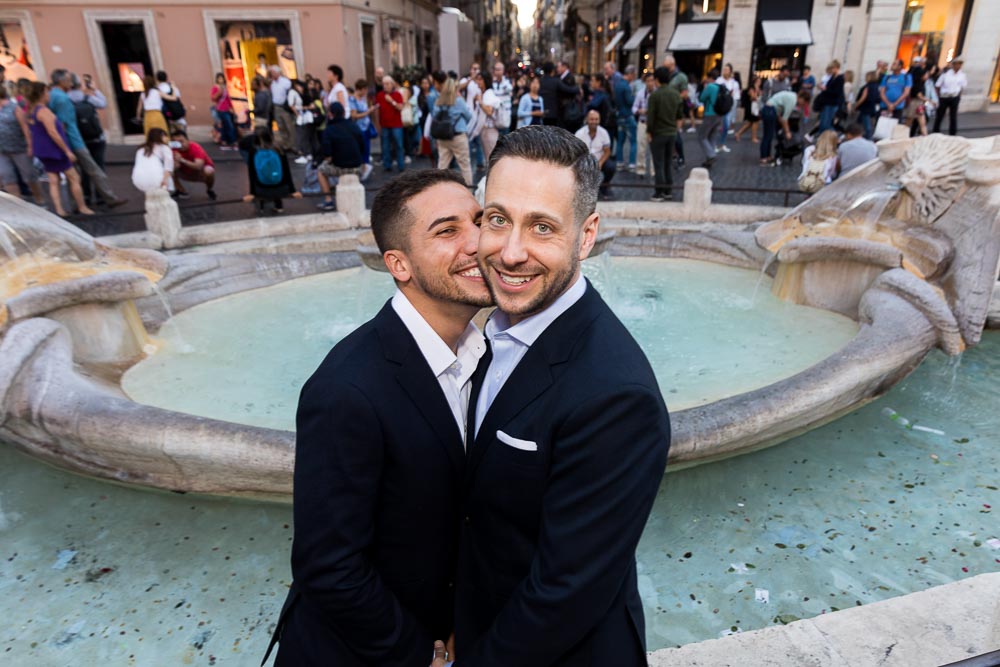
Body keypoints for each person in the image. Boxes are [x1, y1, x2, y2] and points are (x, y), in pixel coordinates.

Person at [445, 124, 670, 665]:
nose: (510, 252)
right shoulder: (487, 329)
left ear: (586, 236)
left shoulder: (618, 397)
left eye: (542, 227)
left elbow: (563, 596)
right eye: (497, 220)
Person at [262, 168, 491, 666]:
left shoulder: (484, 354)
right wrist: (422, 655)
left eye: (479, 220)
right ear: (399, 264)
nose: (478, 242)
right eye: (447, 230)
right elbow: (329, 566)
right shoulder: (346, 390)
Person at [48, 69, 126, 208]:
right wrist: (66, 148)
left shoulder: (53, 95)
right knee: (92, 170)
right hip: (74, 140)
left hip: (70, 140)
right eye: (68, 79)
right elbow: (64, 123)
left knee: (75, 174)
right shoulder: (62, 98)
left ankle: (82, 201)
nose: (70, 83)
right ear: (61, 81)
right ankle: (105, 199)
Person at [25, 82, 94, 217]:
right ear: (41, 94)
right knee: (74, 177)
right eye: (46, 91)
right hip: (54, 150)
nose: (49, 94)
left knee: (53, 180)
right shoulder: (43, 111)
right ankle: (82, 207)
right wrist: (67, 151)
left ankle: (59, 210)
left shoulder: (31, 111)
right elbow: (53, 133)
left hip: (43, 150)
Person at [312, 102, 364, 211]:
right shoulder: (353, 126)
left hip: (340, 166)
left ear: (330, 114)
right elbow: (362, 146)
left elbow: (327, 154)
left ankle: (328, 200)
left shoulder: (329, 130)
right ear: (344, 113)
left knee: (321, 171)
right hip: (358, 166)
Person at [68, 73, 108, 206]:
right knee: (98, 166)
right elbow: (103, 103)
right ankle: (101, 196)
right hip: (96, 138)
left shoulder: (66, 99)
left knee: (84, 169)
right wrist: (94, 89)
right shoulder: (87, 98)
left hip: (79, 139)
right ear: (80, 85)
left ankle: (86, 196)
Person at [0, 85, 44, 205]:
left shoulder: (13, 107)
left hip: (19, 148)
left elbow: (25, 127)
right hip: (2, 151)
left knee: (29, 176)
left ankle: (40, 200)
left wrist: (30, 145)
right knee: (7, 177)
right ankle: (19, 205)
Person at [242, 126, 301, 214]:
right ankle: (279, 206)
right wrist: (293, 190)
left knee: (261, 178)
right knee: (275, 176)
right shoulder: (279, 149)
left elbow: (252, 174)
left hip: (261, 189)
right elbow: (286, 171)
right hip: (281, 189)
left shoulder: (253, 151)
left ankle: (261, 207)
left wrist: (252, 193)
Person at [647, 66, 683, 202]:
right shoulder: (675, 94)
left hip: (658, 133)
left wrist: (649, 132)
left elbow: (651, 117)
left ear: (657, 79)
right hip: (671, 133)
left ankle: (659, 191)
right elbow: (680, 114)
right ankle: (668, 190)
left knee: (659, 163)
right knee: (668, 162)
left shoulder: (655, 96)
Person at [431, 76, 474, 185]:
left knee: (442, 164)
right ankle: (468, 188)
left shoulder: (438, 101)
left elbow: (434, 116)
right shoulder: (458, 101)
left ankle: (438, 187)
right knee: (464, 165)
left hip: (443, 137)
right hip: (458, 136)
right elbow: (469, 116)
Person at [761, 90, 810, 165]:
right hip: (770, 110)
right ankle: (764, 157)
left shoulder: (792, 95)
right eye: (803, 103)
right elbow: (785, 119)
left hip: (769, 109)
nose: (801, 105)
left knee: (769, 135)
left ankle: (767, 156)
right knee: (768, 135)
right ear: (802, 98)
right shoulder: (792, 101)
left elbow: (781, 117)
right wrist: (787, 132)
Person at [575, 109, 615, 200]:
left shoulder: (603, 132)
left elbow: (607, 151)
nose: (594, 121)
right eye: (592, 119)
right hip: (584, 160)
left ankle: (604, 187)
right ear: (587, 120)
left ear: (599, 120)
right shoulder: (579, 133)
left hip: (599, 159)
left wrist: (600, 162)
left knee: (611, 167)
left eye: (596, 119)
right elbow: (576, 152)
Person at [169, 127, 216, 200]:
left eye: (181, 141)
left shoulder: (195, 147)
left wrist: (181, 160)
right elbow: (172, 167)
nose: (180, 145)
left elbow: (198, 166)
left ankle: (209, 189)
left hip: (200, 173)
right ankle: (181, 190)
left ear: (188, 140)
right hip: (185, 172)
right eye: (176, 142)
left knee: (209, 171)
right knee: (169, 169)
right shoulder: (173, 149)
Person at [131, 127, 174, 195]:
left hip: (138, 179)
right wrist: (165, 180)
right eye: (165, 135)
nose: (167, 138)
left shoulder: (141, 148)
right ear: (160, 137)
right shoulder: (164, 148)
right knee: (163, 200)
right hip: (157, 179)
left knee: (151, 198)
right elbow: (168, 167)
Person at [376, 76, 406, 173]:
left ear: (392, 84)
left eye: (388, 84)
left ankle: (401, 165)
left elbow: (400, 108)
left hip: (396, 125)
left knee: (399, 145)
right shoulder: (379, 95)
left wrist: (392, 101)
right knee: (385, 146)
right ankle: (387, 165)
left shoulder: (398, 95)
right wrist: (377, 124)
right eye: (384, 84)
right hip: (384, 125)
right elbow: (377, 110)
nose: (385, 86)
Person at [349, 79, 376, 181]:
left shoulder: (362, 99)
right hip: (358, 129)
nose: (366, 93)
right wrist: (368, 112)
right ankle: (360, 170)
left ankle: (365, 169)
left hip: (366, 127)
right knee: (360, 150)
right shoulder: (352, 100)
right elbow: (354, 115)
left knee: (366, 150)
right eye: (365, 90)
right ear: (361, 89)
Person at [538, 62, 578, 128]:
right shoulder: (556, 81)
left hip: (541, 111)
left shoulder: (540, 81)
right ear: (552, 71)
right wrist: (577, 88)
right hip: (554, 113)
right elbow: (568, 90)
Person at [612, 63, 636, 170]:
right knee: (633, 141)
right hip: (627, 115)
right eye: (634, 75)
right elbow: (629, 101)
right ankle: (631, 163)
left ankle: (619, 162)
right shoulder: (626, 86)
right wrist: (634, 97)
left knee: (620, 141)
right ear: (630, 74)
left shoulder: (617, 85)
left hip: (619, 116)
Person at [934, 56, 966, 136]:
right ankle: (935, 131)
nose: (958, 66)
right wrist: (938, 96)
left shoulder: (962, 75)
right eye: (957, 64)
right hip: (944, 96)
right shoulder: (946, 74)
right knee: (940, 115)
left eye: (960, 64)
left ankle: (952, 133)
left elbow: (962, 86)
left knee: (953, 116)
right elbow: (937, 85)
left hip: (954, 97)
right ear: (953, 65)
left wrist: (958, 96)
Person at [697, 69, 723, 168]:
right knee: (712, 136)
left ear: (709, 78)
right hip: (720, 114)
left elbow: (701, 98)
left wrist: (703, 87)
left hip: (710, 113)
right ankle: (709, 160)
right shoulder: (720, 86)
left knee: (702, 136)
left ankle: (711, 155)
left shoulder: (710, 86)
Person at [632, 72, 656, 178]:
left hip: (655, 124)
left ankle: (653, 171)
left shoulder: (657, 93)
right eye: (648, 81)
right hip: (643, 123)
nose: (650, 83)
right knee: (641, 148)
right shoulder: (641, 93)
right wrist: (639, 111)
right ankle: (640, 169)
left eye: (652, 80)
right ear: (645, 82)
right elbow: (633, 108)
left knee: (654, 149)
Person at [269, 65, 296, 153]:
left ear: (278, 72)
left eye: (273, 72)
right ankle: (285, 145)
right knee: (281, 127)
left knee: (289, 126)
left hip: (284, 107)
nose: (272, 74)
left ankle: (293, 145)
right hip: (276, 107)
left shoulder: (285, 82)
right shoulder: (272, 83)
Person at [715, 64, 740, 152]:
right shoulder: (718, 80)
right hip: (719, 107)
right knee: (717, 126)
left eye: (726, 70)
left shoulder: (734, 83)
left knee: (726, 126)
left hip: (728, 107)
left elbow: (736, 97)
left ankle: (721, 144)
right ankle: (715, 144)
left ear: (730, 71)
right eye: (724, 69)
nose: (725, 71)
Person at [814, 60, 844, 133]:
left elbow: (837, 92)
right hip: (826, 102)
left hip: (832, 103)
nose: (831, 70)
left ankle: (834, 136)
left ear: (837, 68)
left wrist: (825, 89)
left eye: (832, 68)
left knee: (826, 123)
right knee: (822, 122)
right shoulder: (832, 77)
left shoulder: (840, 78)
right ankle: (821, 137)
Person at [853, 71, 881, 139]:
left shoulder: (867, 87)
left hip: (865, 107)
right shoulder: (877, 86)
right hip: (871, 107)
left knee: (866, 126)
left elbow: (863, 97)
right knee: (860, 123)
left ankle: (868, 139)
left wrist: (856, 105)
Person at [734, 76, 762, 143]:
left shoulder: (757, 88)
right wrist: (757, 93)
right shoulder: (751, 88)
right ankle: (753, 137)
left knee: (750, 123)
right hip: (750, 107)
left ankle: (738, 134)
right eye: (758, 81)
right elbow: (753, 97)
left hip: (755, 107)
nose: (760, 83)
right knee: (755, 121)